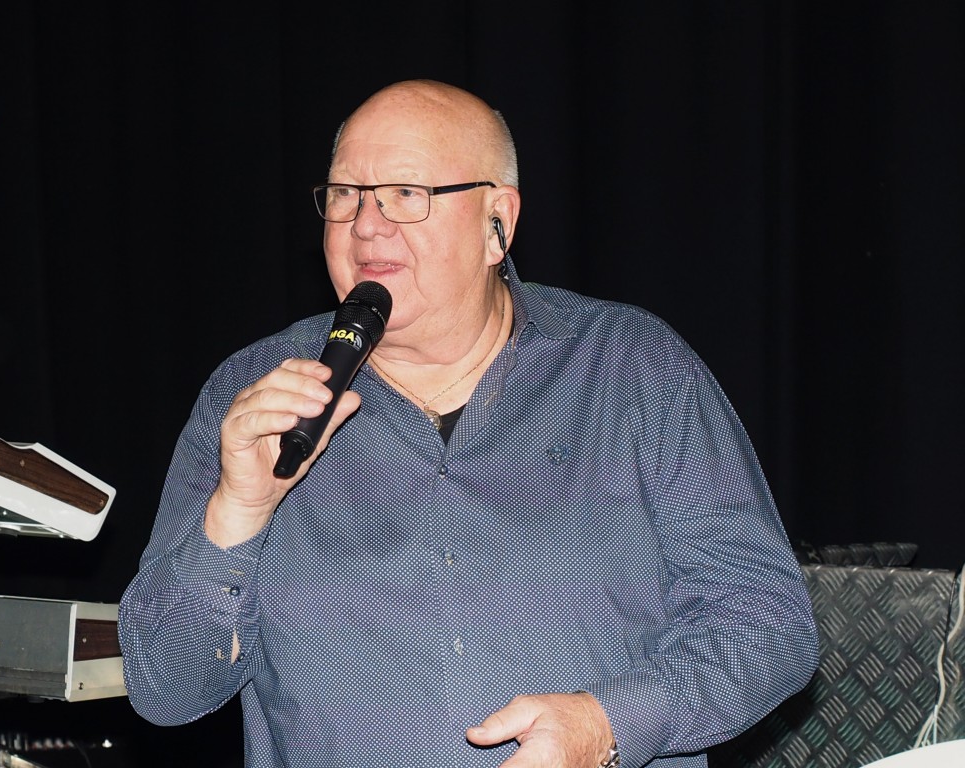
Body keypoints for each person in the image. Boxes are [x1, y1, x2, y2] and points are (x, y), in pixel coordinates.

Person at [118, 79, 819, 768]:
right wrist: (238, 511)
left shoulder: (633, 367)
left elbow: (767, 624)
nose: (366, 224)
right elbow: (164, 689)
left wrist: (608, 725)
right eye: (345, 194)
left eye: (405, 194)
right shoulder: (252, 396)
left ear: (497, 224)